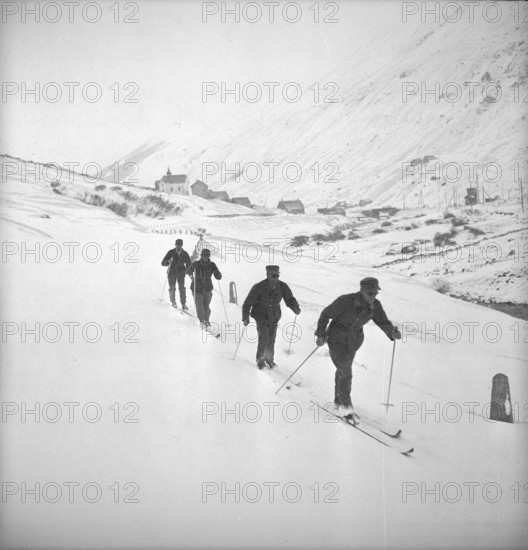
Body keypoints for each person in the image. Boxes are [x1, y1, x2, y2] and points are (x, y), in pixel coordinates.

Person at [314, 277, 401, 418]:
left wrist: (392, 332)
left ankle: (338, 399)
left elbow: (383, 321)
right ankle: (345, 407)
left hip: (354, 341)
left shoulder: (376, 305)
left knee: (343, 370)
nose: (373, 296)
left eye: (375, 292)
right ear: (362, 291)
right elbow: (325, 314)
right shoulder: (345, 301)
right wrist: (320, 334)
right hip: (336, 339)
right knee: (346, 371)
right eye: (370, 293)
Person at [242, 265, 301, 369]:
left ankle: (269, 359)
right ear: (267, 275)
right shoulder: (258, 287)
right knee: (264, 337)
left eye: (277, 276)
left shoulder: (282, 286)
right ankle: (260, 360)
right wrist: (245, 317)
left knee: (272, 338)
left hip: (274, 315)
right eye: (273, 276)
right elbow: (247, 303)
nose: (275, 278)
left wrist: (295, 307)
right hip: (260, 315)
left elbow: (289, 299)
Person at [186, 248, 222, 327]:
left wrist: (218, 274)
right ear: (201, 255)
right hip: (197, 288)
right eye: (204, 255)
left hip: (207, 289)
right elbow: (187, 271)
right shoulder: (196, 264)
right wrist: (191, 268)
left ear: (209, 256)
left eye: (207, 256)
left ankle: (206, 321)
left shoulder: (212, 265)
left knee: (206, 307)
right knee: (199, 306)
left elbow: (218, 275)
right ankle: (202, 322)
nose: (206, 257)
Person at [161, 239, 192, 309]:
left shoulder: (185, 254)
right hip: (171, 272)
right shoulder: (170, 252)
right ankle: (173, 302)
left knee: (182, 288)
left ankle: (183, 304)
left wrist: (191, 272)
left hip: (181, 273)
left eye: (180, 245)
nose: (179, 247)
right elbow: (163, 263)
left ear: (182, 245)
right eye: (178, 245)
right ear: (175, 245)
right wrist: (168, 261)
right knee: (172, 288)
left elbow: (189, 265)